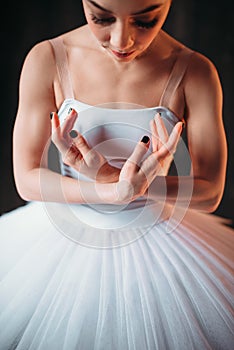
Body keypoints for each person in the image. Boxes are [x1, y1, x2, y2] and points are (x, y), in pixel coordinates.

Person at [0, 0, 233, 349]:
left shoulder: (195, 71)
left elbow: (210, 192)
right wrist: (110, 189)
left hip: (163, 249)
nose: (122, 40)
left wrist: (136, 187)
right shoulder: (48, 58)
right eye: (102, 17)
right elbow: (26, 179)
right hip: (56, 250)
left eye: (145, 21)